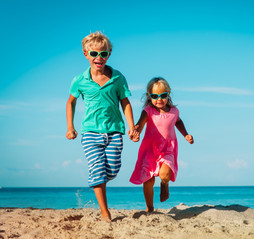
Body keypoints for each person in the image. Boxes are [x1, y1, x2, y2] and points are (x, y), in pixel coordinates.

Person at [65, 31, 136, 222]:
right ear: (86, 54)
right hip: (90, 132)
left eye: (103, 54)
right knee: (97, 169)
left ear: (109, 54)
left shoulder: (118, 78)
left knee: (112, 170)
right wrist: (70, 127)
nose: (99, 58)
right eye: (94, 53)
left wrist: (132, 127)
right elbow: (70, 102)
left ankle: (100, 177)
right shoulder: (79, 80)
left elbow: (125, 102)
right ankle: (105, 212)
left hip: (114, 131)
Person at [130, 77, 194, 212]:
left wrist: (186, 134)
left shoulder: (174, 111)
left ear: (168, 94)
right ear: (149, 96)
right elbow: (140, 124)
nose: (159, 99)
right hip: (150, 150)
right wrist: (136, 132)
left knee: (165, 174)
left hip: (167, 149)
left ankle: (164, 185)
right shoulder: (148, 111)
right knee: (148, 180)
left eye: (163, 95)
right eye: (155, 96)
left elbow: (178, 122)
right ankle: (150, 207)